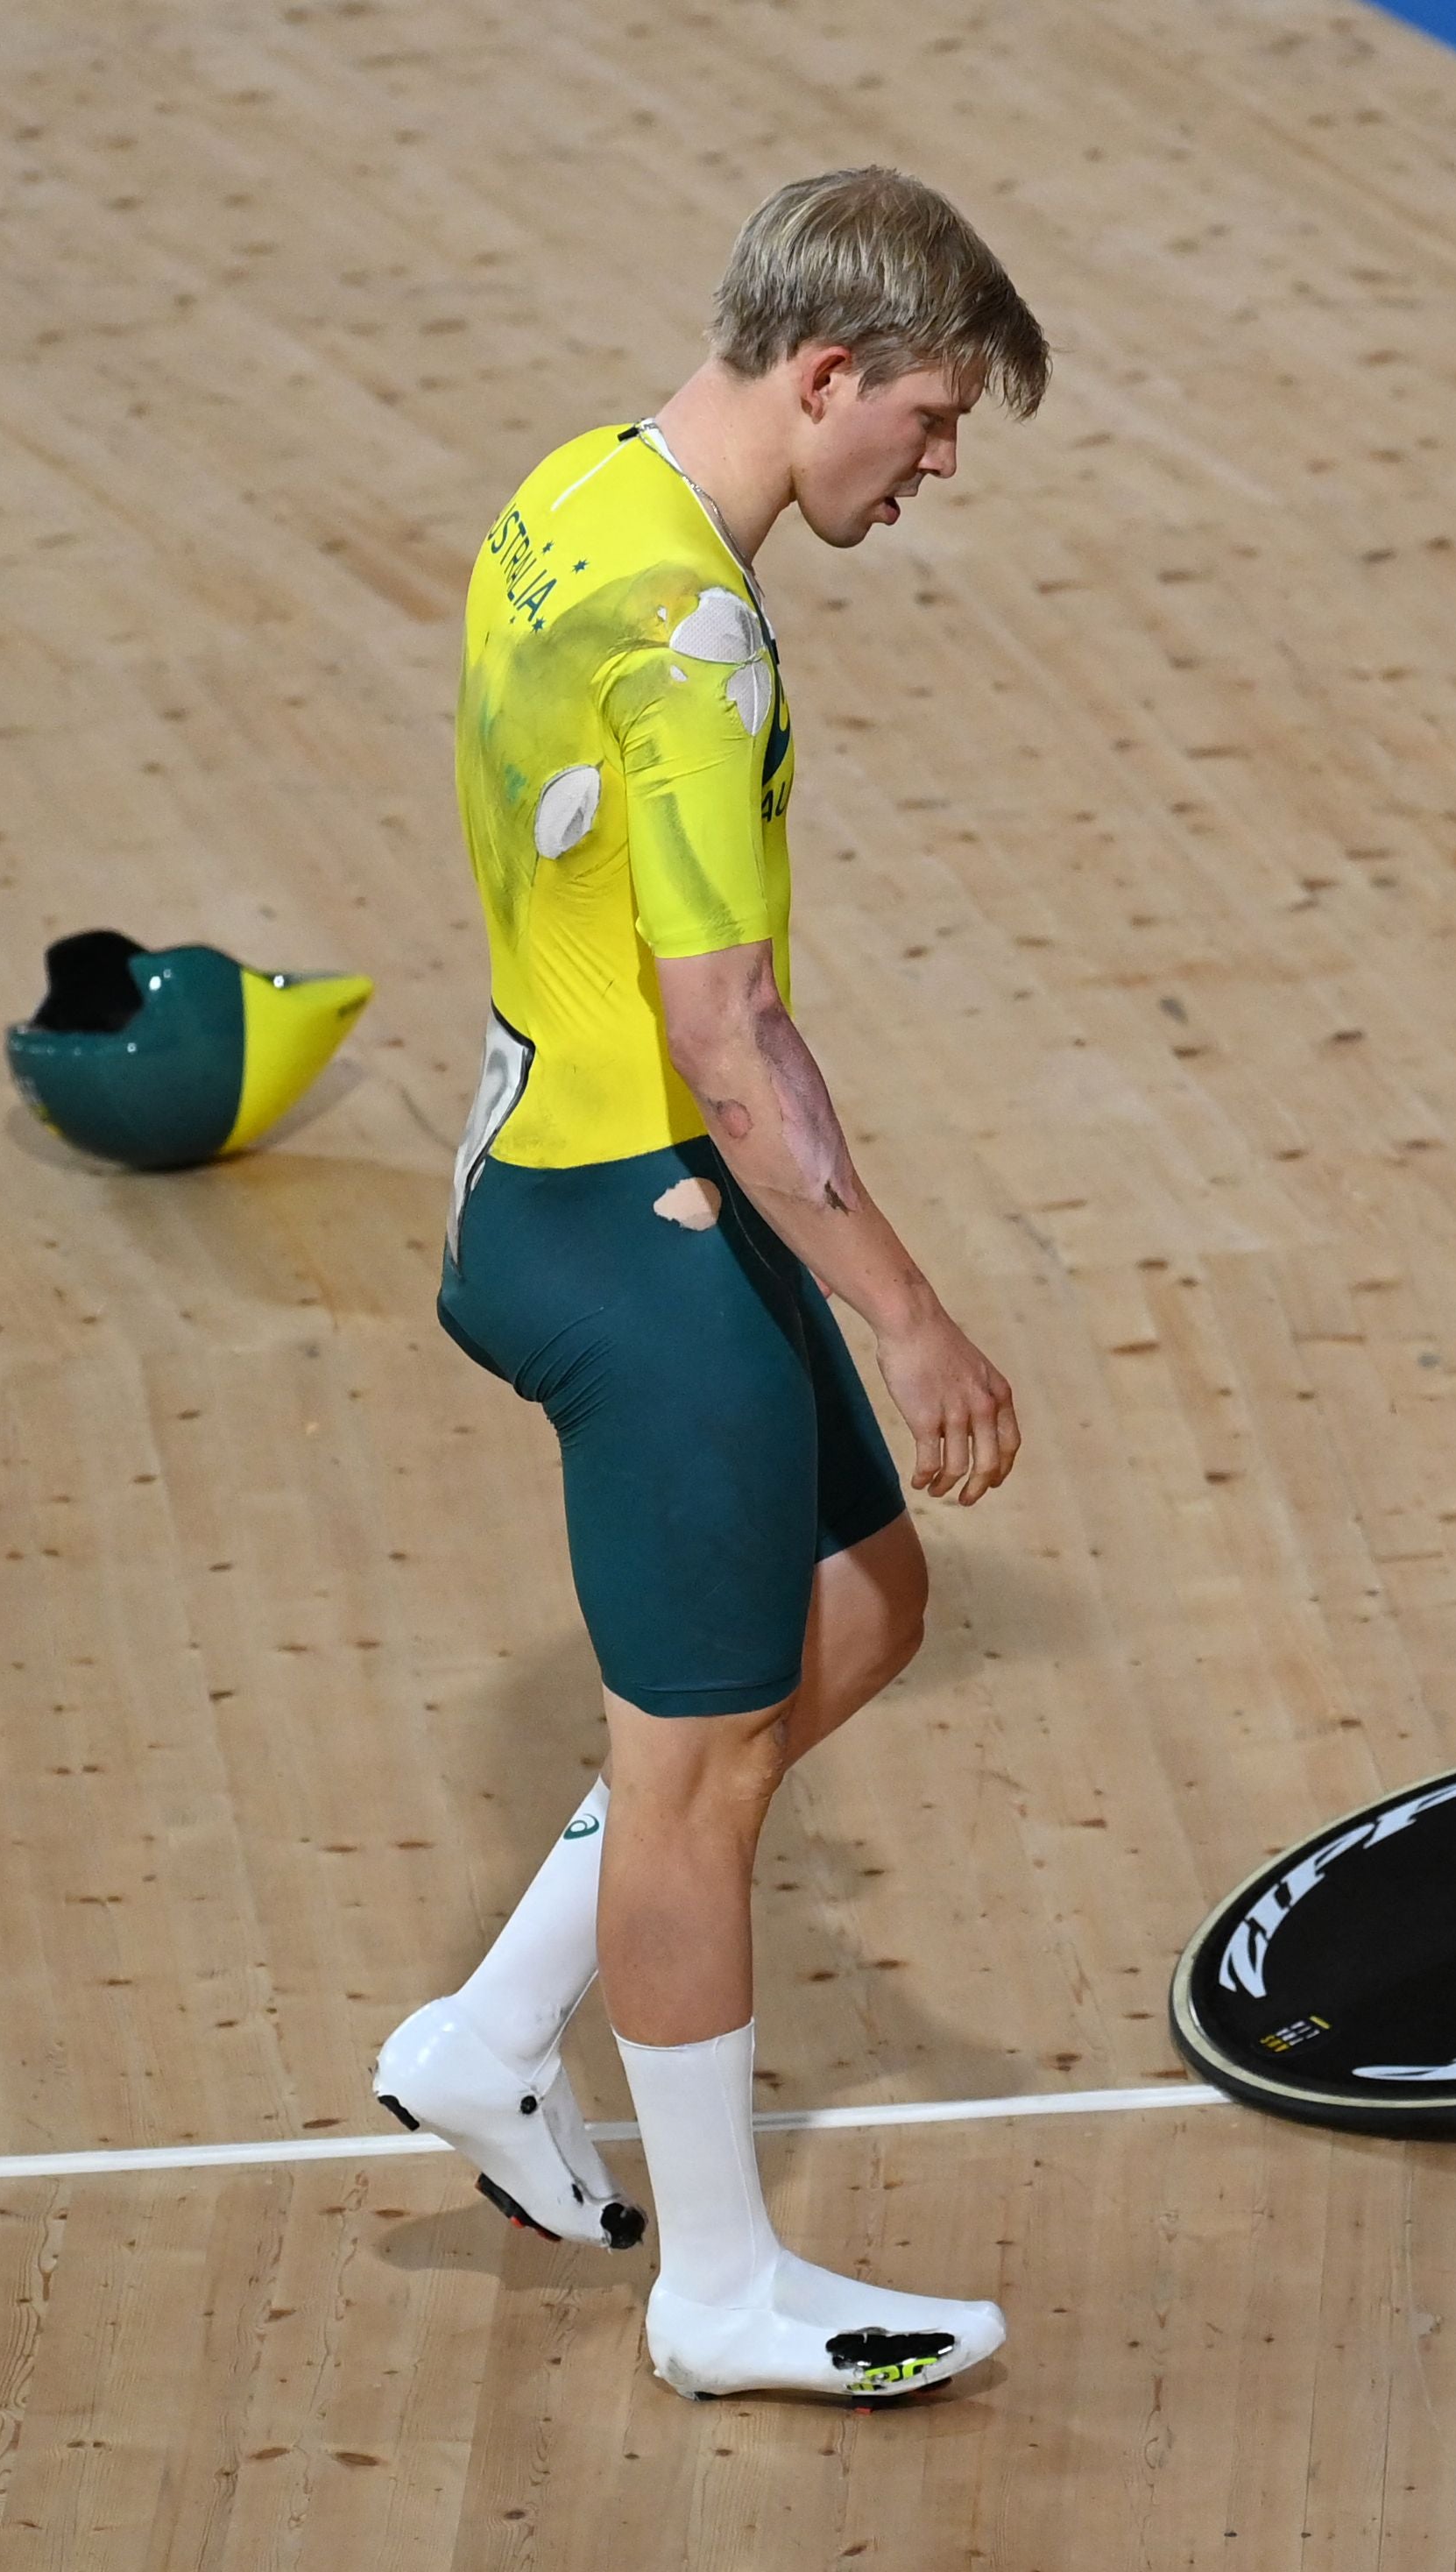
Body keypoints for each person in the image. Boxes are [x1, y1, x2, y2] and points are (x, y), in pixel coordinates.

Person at [371, 166, 1047, 2403]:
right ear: (826, 370)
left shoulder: (575, 493)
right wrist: (908, 1306)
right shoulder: (698, 631)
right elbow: (726, 1045)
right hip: (630, 1220)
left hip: (571, 1163)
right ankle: (720, 2290)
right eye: (931, 418)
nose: (935, 466)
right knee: (698, 1787)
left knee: (861, 1608)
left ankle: (486, 2039)